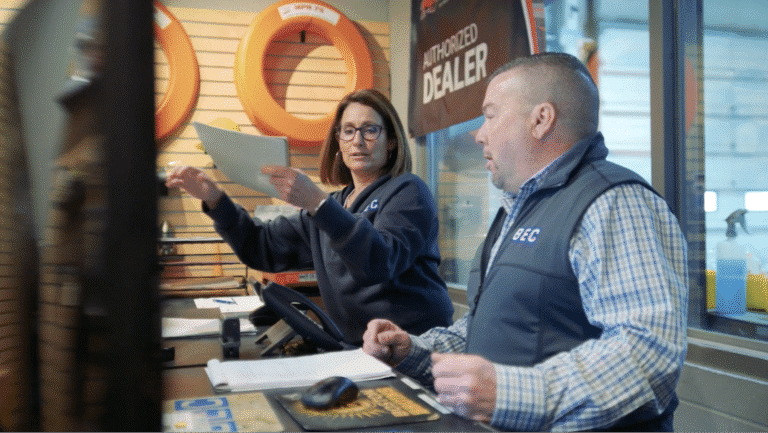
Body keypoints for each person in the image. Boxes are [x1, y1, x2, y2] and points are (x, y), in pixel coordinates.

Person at [362, 53, 689, 432]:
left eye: (491, 114)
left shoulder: (614, 202)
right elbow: (492, 329)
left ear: (541, 120)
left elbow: (649, 351)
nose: (479, 133)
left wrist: (510, 394)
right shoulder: (517, 209)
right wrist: (413, 354)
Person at [166, 89, 453, 345]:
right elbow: (261, 247)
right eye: (348, 130)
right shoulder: (335, 205)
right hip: (359, 350)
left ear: (391, 141)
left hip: (413, 347)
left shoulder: (408, 191)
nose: (358, 141)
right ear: (338, 141)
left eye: (370, 130)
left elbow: (378, 263)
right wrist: (215, 200)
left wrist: (318, 202)